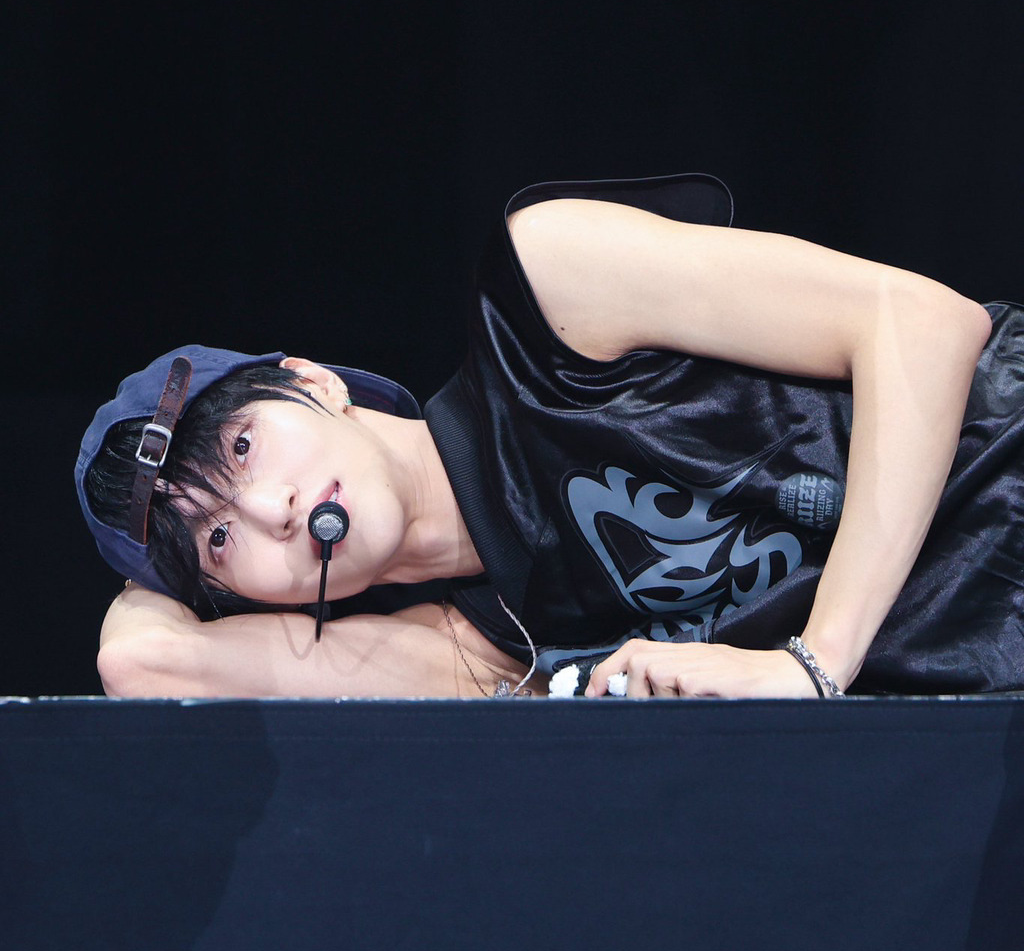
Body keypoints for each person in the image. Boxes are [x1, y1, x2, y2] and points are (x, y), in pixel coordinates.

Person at [76, 171, 1022, 701]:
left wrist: (814, 661)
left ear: (312, 381)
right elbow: (141, 659)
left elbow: (923, 325)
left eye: (243, 447)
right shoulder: (479, 652)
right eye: (220, 538)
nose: (273, 508)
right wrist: (160, 553)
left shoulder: (548, 297)